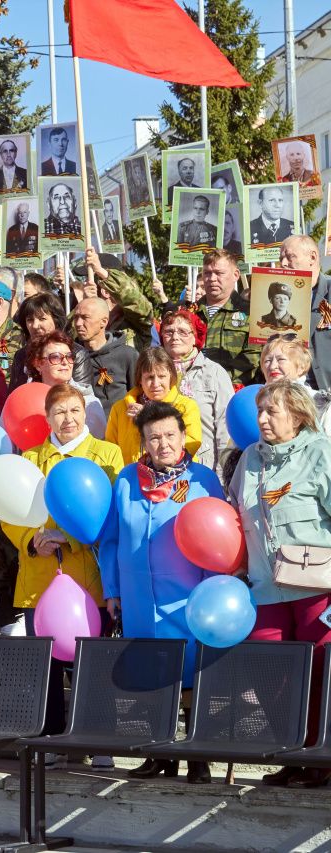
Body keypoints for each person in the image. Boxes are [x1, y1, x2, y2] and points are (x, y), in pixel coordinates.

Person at [100, 401, 220, 784]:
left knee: (189, 676)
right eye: (154, 437)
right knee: (151, 675)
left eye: (170, 435)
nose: (163, 444)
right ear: (144, 442)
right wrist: (113, 589)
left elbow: (217, 537)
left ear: (183, 436)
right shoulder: (126, 480)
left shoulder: (203, 480)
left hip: (188, 596)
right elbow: (112, 539)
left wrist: (212, 588)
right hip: (139, 597)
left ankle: (198, 755)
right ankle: (158, 753)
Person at [3, 384, 122, 735]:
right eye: (59, 412)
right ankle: (50, 740)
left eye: (73, 410)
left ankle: (98, 741)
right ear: (48, 418)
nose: (67, 419)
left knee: (93, 665)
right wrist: (30, 540)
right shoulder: (29, 459)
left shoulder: (107, 454)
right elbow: (11, 512)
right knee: (45, 670)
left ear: (85, 412)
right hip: (39, 578)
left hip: (89, 580)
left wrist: (70, 538)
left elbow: (110, 513)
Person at [231, 380, 331, 789]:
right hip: (265, 588)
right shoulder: (248, 459)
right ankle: (292, 754)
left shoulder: (321, 453)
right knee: (270, 672)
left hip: (316, 587)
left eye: (272, 411)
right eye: (260, 412)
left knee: (322, 674)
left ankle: (321, 757)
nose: (262, 419)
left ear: (298, 414)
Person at [160, 310, 233, 474]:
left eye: (183, 332)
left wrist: (223, 477)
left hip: (203, 468)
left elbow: (225, 430)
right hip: (161, 469)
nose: (175, 337)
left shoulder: (214, 373)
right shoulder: (153, 373)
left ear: (195, 337)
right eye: (169, 331)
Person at [172, 250, 258, 385]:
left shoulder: (251, 313)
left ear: (236, 275)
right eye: (207, 273)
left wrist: (216, 381)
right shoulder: (187, 313)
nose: (212, 278)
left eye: (219, 273)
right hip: (189, 389)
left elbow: (253, 358)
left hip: (234, 391)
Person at [106, 346, 203, 466]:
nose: (156, 384)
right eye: (149, 377)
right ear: (140, 379)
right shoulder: (120, 409)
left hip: (177, 476)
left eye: (162, 376)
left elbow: (191, 444)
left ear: (171, 377)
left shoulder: (187, 406)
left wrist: (148, 416)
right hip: (134, 478)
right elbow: (111, 451)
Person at [24, 331, 107, 437]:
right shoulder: (22, 399)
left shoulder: (89, 402)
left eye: (69, 356)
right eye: (56, 357)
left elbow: (98, 446)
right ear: (38, 364)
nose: (65, 362)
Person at [73, 297, 139, 414]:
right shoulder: (72, 357)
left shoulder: (128, 355)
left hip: (121, 428)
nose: (78, 323)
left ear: (103, 321)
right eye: (76, 317)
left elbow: (138, 395)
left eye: (85, 318)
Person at [282, 235, 331, 390]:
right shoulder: (278, 298)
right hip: (293, 392)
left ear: (312, 257)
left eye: (290, 257)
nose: (283, 263)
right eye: (281, 258)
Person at [6, 292, 70, 390]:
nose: (35, 326)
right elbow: (14, 393)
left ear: (56, 320)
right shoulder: (21, 355)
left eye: (42, 318)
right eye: (30, 320)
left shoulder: (76, 353)